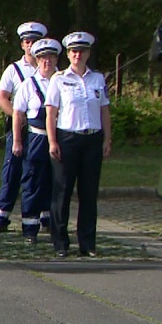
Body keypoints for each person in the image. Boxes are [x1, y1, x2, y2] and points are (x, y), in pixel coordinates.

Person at [46, 32, 111, 258]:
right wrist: (52, 141)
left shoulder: (98, 79)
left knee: (89, 192)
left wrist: (107, 138)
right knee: (62, 192)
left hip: (92, 138)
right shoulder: (59, 79)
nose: (78, 55)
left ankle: (87, 243)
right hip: (68, 138)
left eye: (82, 51)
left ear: (88, 53)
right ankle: (60, 242)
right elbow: (51, 112)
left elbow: (104, 110)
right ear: (68, 54)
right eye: (74, 51)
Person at [0, 21, 47, 232]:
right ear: (22, 45)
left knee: (39, 173)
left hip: (41, 130)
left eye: (34, 41)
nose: (30, 45)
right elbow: (1, 98)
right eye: (27, 41)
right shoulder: (13, 70)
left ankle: (43, 215)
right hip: (18, 128)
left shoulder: (50, 68)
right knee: (12, 171)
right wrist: (17, 115)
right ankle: (2, 215)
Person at [11, 38, 61, 243]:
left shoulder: (64, 81)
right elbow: (17, 113)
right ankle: (30, 228)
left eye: (50, 57)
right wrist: (16, 140)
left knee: (55, 182)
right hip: (36, 137)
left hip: (59, 137)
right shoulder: (28, 85)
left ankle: (51, 222)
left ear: (56, 58)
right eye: (42, 58)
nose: (46, 61)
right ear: (37, 60)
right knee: (32, 181)